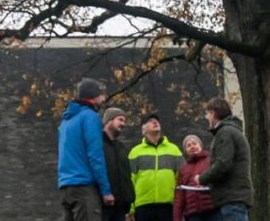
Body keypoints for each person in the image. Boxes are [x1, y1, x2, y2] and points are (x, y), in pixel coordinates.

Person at [58, 78, 115, 221]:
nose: (103, 98)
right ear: (93, 95)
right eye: (101, 94)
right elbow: (95, 155)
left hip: (66, 187)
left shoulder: (66, 121)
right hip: (84, 188)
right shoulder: (90, 117)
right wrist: (106, 191)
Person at [194, 97, 252, 221]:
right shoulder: (232, 131)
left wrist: (202, 178)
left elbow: (223, 164)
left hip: (232, 200)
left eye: (207, 114)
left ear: (213, 113)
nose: (207, 118)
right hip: (233, 199)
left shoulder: (225, 132)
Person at [129, 113, 183, 221]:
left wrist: (181, 206)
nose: (155, 122)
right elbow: (130, 181)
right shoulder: (135, 152)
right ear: (143, 129)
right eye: (150, 121)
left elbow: (182, 178)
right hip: (142, 205)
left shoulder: (174, 149)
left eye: (157, 121)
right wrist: (131, 209)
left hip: (168, 205)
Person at [102, 107, 136, 221]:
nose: (123, 124)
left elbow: (126, 175)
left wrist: (129, 198)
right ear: (109, 120)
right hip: (103, 204)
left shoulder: (120, 147)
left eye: (124, 121)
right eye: (120, 119)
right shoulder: (97, 144)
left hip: (120, 206)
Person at [173, 134, 217, 221]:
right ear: (186, 151)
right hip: (192, 214)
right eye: (188, 146)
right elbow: (179, 197)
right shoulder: (183, 170)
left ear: (200, 145)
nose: (192, 147)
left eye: (194, 143)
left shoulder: (211, 161)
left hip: (212, 210)